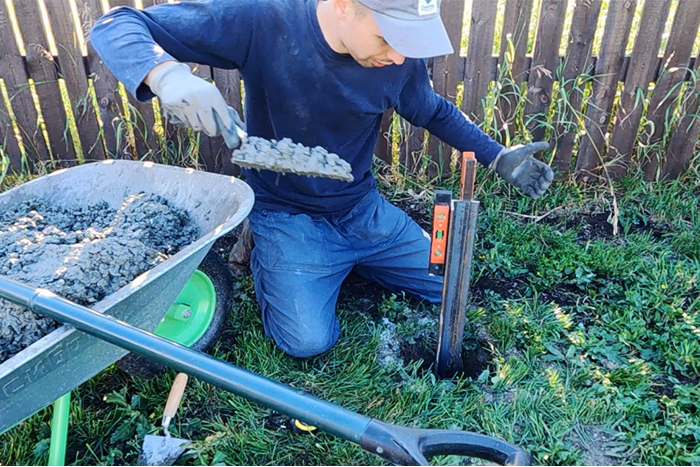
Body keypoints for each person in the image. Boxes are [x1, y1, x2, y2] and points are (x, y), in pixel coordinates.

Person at [90, 0, 553, 358]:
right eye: (386, 38)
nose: (397, 57)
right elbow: (115, 25)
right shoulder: (264, 19)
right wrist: (168, 75)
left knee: (451, 283)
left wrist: (498, 157)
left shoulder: (399, 60)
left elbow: (430, 109)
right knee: (307, 341)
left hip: (361, 209)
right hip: (287, 212)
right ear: (343, 5)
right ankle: (265, 245)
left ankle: (350, 259)